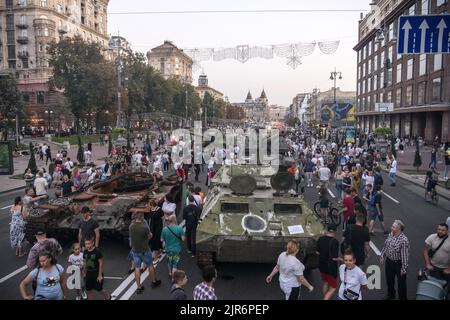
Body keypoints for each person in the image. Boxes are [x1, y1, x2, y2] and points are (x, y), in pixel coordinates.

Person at [129, 212, 162, 294]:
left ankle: (139, 287)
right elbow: (150, 236)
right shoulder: (144, 227)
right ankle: (154, 281)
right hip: (144, 250)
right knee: (150, 265)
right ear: (142, 217)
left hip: (135, 251)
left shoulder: (131, 226)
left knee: (137, 268)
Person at [380, 220, 409, 300]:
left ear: (399, 229)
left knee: (401, 284)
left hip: (399, 264)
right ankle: (391, 295)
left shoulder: (403, 240)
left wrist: (403, 268)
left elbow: (404, 256)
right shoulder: (391, 234)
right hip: (389, 261)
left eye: (393, 227)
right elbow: (386, 245)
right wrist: (382, 255)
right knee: (389, 280)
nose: (391, 227)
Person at [316, 224, 340, 300]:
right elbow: (334, 258)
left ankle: (326, 297)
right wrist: (341, 259)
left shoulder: (320, 239)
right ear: (335, 231)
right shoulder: (335, 242)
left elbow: (317, 252)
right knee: (333, 286)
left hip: (322, 265)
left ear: (327, 230)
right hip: (330, 268)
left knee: (326, 282)